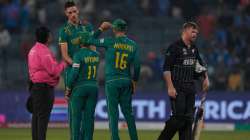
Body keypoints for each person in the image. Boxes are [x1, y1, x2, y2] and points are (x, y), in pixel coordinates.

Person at [58, 1, 111, 139]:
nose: (73, 15)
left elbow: (92, 46)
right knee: (74, 114)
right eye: (70, 12)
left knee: (88, 115)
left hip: (87, 73)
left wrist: (88, 60)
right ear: (66, 14)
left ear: (78, 11)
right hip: (73, 72)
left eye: (74, 11)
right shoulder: (64, 31)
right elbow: (64, 55)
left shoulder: (87, 26)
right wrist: (77, 63)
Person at [88, 19, 141, 140]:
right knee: (129, 114)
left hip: (112, 82)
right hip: (126, 80)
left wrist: (101, 28)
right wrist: (135, 81)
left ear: (114, 29)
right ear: (125, 29)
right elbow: (137, 66)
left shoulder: (110, 42)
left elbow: (89, 40)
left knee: (113, 115)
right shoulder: (133, 45)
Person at [158, 22, 209, 140]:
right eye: (193, 31)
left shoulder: (194, 49)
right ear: (185, 31)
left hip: (190, 89)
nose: (195, 34)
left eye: (197, 32)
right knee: (178, 118)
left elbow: (200, 65)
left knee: (188, 121)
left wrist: (206, 78)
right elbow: (166, 69)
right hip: (177, 88)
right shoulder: (174, 47)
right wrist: (170, 87)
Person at [28, 26, 66, 140]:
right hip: (44, 88)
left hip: (35, 86)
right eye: (50, 34)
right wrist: (64, 63)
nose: (51, 36)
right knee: (43, 118)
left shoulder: (33, 50)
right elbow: (53, 71)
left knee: (36, 116)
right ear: (47, 37)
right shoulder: (44, 52)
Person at [65, 32, 99, 140]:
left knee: (76, 118)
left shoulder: (78, 55)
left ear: (80, 43)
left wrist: (68, 89)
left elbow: (74, 73)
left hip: (80, 88)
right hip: (93, 87)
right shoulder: (96, 55)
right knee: (89, 118)